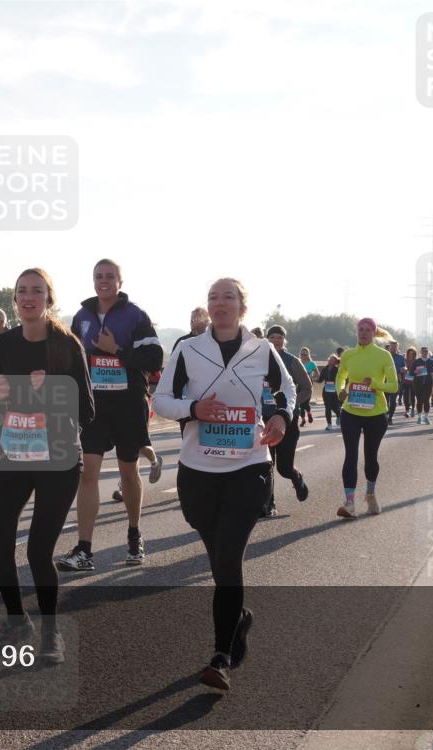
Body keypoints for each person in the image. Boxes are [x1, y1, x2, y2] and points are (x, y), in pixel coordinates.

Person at [153, 278, 294, 691]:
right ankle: (240, 618)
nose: (219, 303)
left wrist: (281, 417)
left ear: (241, 307)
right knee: (218, 559)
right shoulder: (187, 348)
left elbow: (286, 389)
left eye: (227, 297)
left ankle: (221, 656)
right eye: (213, 297)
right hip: (197, 469)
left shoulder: (262, 349)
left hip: (249, 465)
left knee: (229, 557)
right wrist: (193, 408)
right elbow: (160, 400)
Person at [0, 267, 94, 664]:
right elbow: (2, 405)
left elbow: (87, 410)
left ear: (49, 298)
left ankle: (51, 632)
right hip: (15, 454)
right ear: (15, 300)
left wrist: (49, 392)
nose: (28, 298)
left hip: (59, 458)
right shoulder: (8, 342)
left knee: (36, 552)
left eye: (36, 291)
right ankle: (17, 621)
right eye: (21, 292)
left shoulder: (67, 344)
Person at [56, 259, 163, 571]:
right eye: (98, 276)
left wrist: (116, 349)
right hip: (94, 407)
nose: (103, 281)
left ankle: (134, 536)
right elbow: (71, 359)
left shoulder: (135, 315)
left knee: (128, 472)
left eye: (110, 276)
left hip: (128, 404)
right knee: (87, 473)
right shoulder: (82, 316)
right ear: (93, 281)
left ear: (120, 281)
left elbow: (154, 357)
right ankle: (84, 549)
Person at [334, 319, 398, 518]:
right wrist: (341, 391)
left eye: (367, 330)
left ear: (374, 332)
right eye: (360, 329)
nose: (363, 333)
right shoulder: (348, 355)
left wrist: (376, 384)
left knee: (370, 458)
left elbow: (394, 386)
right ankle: (350, 503)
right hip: (351, 411)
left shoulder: (383, 355)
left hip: (376, 414)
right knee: (350, 455)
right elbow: (340, 376)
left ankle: (370, 494)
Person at [260, 326, 310, 516]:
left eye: (279, 337)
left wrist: (288, 405)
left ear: (284, 340)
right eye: (272, 336)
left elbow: (306, 388)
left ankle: (296, 477)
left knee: (283, 467)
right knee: (266, 464)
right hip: (264, 419)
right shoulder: (258, 360)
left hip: (287, 421)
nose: (275, 340)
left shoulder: (292, 361)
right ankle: (269, 504)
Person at [412, 346, 433, 424]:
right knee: (419, 401)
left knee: (426, 400)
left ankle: (426, 417)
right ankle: (419, 417)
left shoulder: (432, 362)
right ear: (421, 352)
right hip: (418, 383)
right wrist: (416, 372)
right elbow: (411, 372)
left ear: (428, 352)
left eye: (426, 351)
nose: (425, 353)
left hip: (428, 383)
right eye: (423, 351)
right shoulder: (416, 362)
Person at [317, 354, 341, 430]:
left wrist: (340, 387)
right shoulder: (324, 369)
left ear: (335, 362)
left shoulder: (337, 370)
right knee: (327, 407)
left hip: (335, 391)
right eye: (330, 360)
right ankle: (329, 424)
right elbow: (320, 380)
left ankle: (339, 415)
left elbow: (343, 379)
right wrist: (313, 379)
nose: (330, 361)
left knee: (334, 406)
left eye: (332, 360)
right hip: (326, 391)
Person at [386, 341, 405, 425]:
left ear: (397, 348)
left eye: (395, 347)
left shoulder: (400, 357)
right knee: (385, 400)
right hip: (385, 381)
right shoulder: (384, 355)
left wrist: (404, 369)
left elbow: (404, 366)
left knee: (393, 401)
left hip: (395, 381)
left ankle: (390, 417)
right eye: (392, 347)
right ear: (389, 347)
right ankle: (385, 415)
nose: (393, 348)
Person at [297, 347, 317, 426]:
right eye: (302, 354)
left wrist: (312, 378)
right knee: (300, 403)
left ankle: (309, 413)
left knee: (306, 403)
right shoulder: (298, 362)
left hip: (308, 385)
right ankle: (303, 420)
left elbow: (317, 374)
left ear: (308, 355)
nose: (303, 355)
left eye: (305, 354)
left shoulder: (311, 363)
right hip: (300, 385)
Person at [400, 347, 417, 418]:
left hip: (414, 381)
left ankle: (413, 408)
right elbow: (401, 368)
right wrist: (403, 369)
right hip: (405, 380)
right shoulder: (404, 360)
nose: (410, 354)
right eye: (409, 353)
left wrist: (415, 371)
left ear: (414, 354)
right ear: (407, 353)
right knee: (405, 395)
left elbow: (419, 370)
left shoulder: (416, 361)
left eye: (412, 353)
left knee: (413, 395)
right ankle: (407, 410)